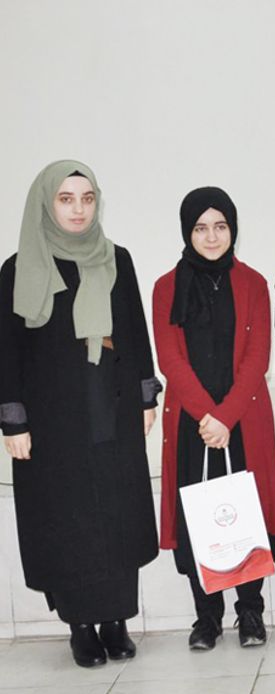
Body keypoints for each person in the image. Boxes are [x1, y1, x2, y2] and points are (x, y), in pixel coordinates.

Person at [1, 160, 161, 667]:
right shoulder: (19, 268)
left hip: (111, 410)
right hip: (53, 422)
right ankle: (81, 628)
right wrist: (13, 421)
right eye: (66, 199)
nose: (78, 209)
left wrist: (146, 398)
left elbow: (134, 332)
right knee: (67, 520)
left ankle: (116, 621)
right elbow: (7, 351)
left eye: (87, 199)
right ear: (47, 203)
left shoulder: (117, 260)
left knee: (116, 515)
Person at [152, 187, 275, 649]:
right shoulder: (166, 287)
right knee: (199, 519)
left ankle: (250, 612)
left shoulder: (253, 283)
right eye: (201, 228)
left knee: (249, 514)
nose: (212, 237)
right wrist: (207, 417)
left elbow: (257, 358)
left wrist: (225, 416)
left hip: (243, 419)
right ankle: (206, 618)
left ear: (233, 229)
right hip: (193, 426)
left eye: (221, 226)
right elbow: (170, 360)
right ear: (187, 232)